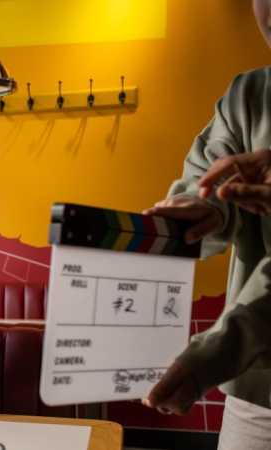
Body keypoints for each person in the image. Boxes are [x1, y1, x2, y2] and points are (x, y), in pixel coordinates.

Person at [142, 1, 271, 447]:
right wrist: (208, 210)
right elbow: (211, 180)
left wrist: (216, 351)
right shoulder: (249, 95)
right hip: (257, 396)